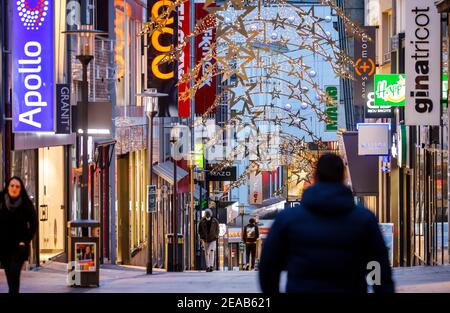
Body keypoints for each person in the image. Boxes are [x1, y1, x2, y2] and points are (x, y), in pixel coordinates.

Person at [259, 153, 394, 293]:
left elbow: (269, 265)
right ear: (343, 178)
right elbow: (377, 265)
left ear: (315, 177)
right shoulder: (364, 219)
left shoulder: (288, 219)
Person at [0, 176, 37, 294]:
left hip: (19, 246)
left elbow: (34, 223)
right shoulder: (1, 201)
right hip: (4, 246)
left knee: (14, 272)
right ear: (8, 187)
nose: (14, 188)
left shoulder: (26, 203)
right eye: (12, 186)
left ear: (20, 188)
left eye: (17, 186)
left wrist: (26, 240)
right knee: (9, 274)